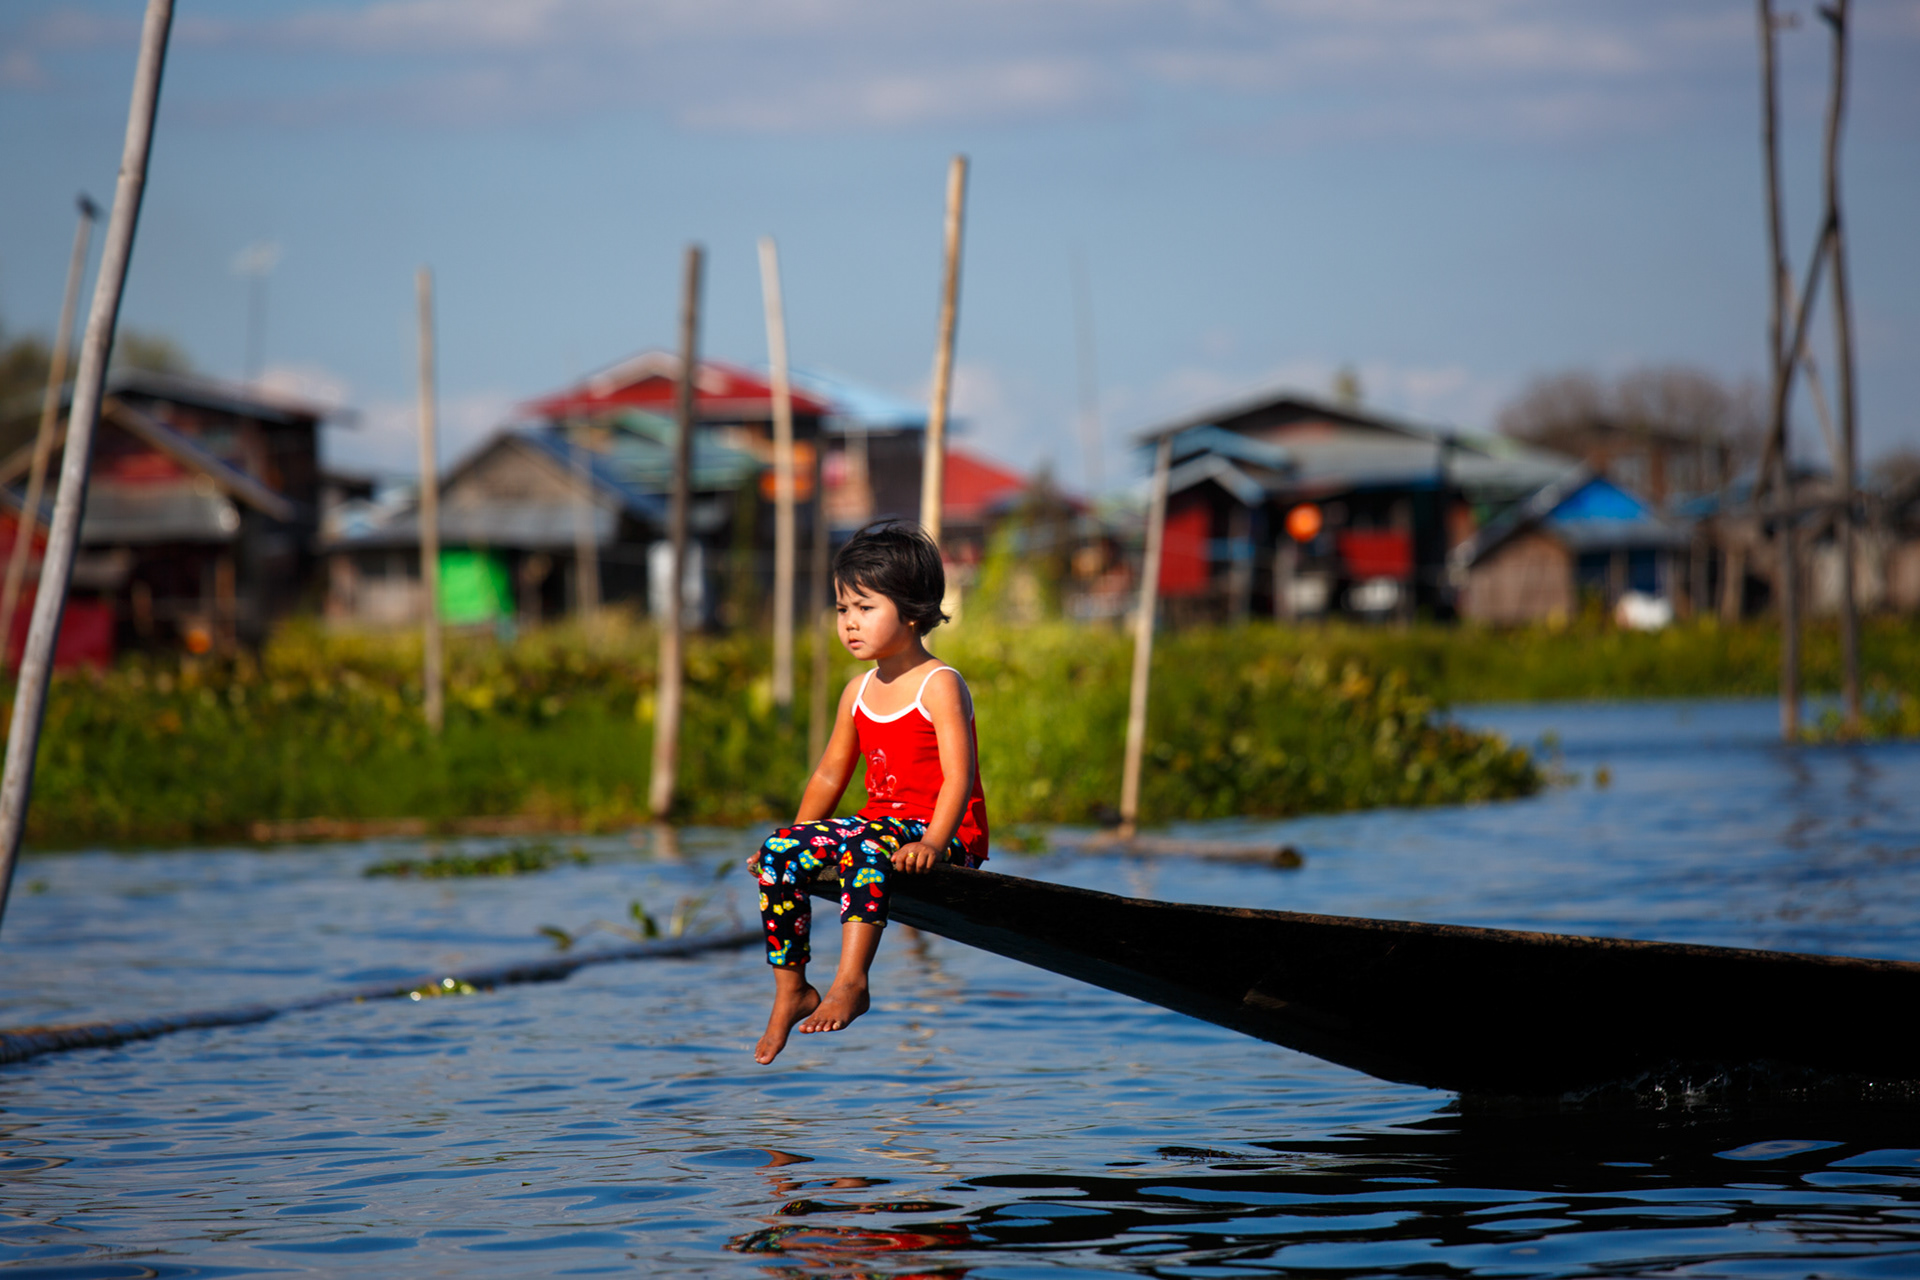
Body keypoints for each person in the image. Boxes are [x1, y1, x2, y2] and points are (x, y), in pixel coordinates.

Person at [751, 521, 989, 1065]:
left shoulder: (940, 683)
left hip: (944, 834)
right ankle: (793, 989)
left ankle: (852, 981)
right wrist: (796, 838)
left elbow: (959, 777)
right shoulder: (857, 692)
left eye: (864, 608)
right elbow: (830, 777)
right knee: (777, 851)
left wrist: (933, 841)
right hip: (881, 828)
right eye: (842, 610)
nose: (850, 624)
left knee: (866, 850)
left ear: (910, 610)